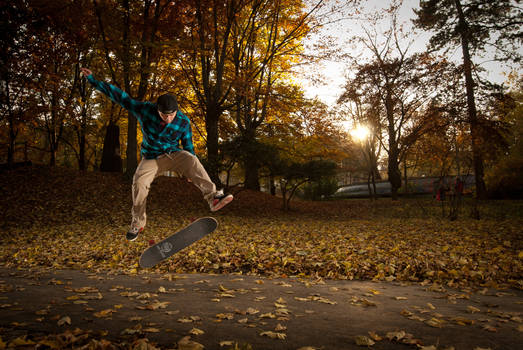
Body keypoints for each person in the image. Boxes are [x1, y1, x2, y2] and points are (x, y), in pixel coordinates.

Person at [80, 68, 233, 241]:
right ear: (157, 109)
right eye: (163, 115)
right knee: (139, 183)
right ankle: (137, 223)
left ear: (176, 111)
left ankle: (213, 198)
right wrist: (93, 80)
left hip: (174, 155)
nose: (168, 119)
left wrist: (190, 172)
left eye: (171, 115)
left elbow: (188, 147)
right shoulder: (145, 109)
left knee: (191, 158)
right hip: (151, 157)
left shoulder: (183, 121)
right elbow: (120, 97)